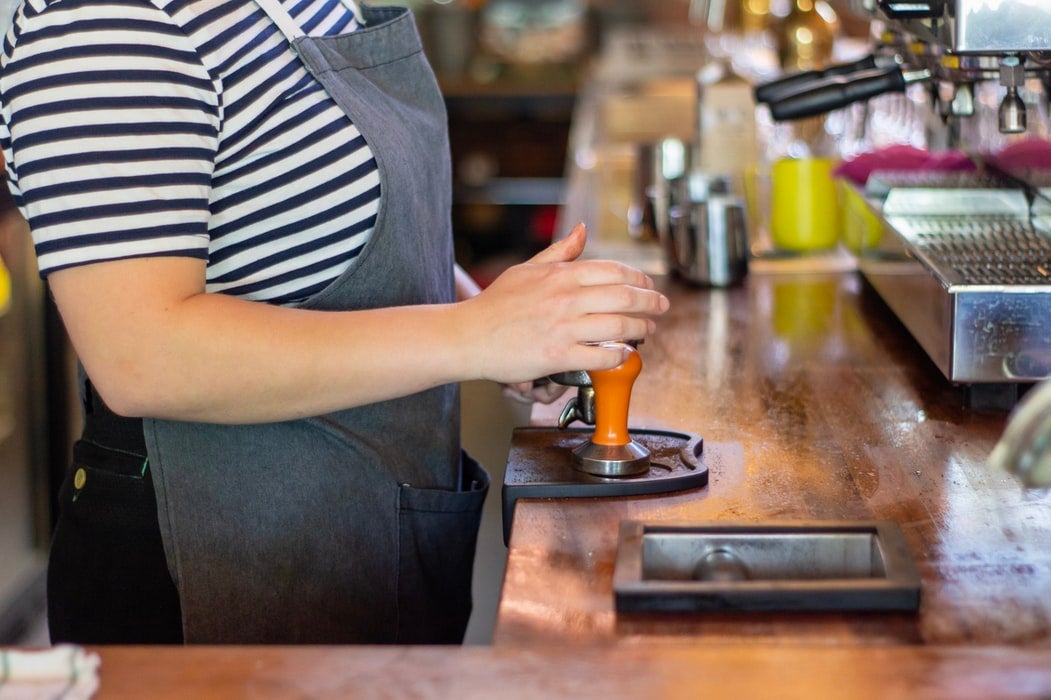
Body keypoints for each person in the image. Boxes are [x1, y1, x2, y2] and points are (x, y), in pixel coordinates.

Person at [0, 0, 668, 644]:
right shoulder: (101, 27)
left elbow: (324, 229)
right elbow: (142, 354)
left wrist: (507, 323)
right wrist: (472, 336)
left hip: (362, 531)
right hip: (215, 568)